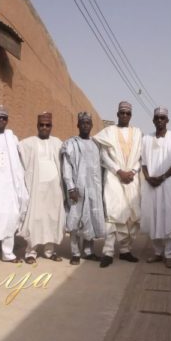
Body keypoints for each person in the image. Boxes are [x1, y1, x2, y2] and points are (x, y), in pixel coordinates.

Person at [93, 101, 143, 268]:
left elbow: (140, 158)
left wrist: (133, 172)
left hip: (132, 178)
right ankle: (107, 252)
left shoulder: (137, 133)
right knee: (113, 214)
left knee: (130, 215)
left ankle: (125, 251)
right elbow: (104, 156)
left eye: (127, 113)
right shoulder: (108, 132)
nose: (124, 116)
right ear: (117, 114)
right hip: (114, 178)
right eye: (122, 113)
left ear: (131, 115)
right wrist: (119, 171)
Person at [0, 105, 29, 263]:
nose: (1, 120)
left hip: (8, 185)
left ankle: (7, 253)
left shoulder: (12, 138)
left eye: (4, 118)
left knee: (10, 217)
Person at [141, 107, 171, 268]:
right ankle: (158, 253)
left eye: (162, 118)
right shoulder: (146, 139)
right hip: (151, 185)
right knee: (153, 218)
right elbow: (143, 163)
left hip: (169, 184)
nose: (159, 120)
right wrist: (148, 177)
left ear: (167, 120)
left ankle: (169, 255)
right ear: (153, 120)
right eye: (157, 117)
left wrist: (162, 177)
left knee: (169, 218)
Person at [18, 112, 65, 264]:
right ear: (37, 126)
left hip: (54, 190)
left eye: (48, 125)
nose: (45, 128)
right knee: (36, 219)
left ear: (51, 126)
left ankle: (49, 251)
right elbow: (18, 156)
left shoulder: (57, 142)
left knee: (52, 219)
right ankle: (31, 252)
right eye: (42, 125)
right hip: (37, 189)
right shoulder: (28, 143)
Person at [61, 112, 106, 265]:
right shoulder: (70, 144)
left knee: (91, 219)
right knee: (75, 220)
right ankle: (74, 253)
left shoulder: (96, 144)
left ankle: (88, 252)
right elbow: (66, 168)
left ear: (91, 126)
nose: (85, 125)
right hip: (77, 189)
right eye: (83, 123)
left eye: (88, 123)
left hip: (93, 188)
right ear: (78, 125)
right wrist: (71, 188)